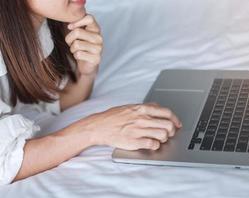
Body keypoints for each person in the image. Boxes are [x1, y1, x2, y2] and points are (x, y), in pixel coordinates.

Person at [0, 0, 182, 185]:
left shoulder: (38, 26)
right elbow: (3, 163)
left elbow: (42, 102)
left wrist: (86, 71)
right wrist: (95, 129)